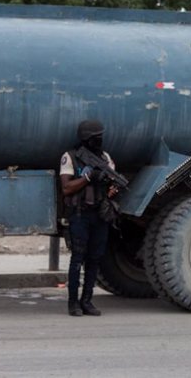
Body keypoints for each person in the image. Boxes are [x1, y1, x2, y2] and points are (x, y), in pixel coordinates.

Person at [60, 119, 119, 317]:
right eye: (96, 137)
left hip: (99, 215)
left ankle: (87, 301)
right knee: (78, 258)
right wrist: (87, 178)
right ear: (86, 138)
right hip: (79, 214)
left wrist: (110, 188)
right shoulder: (71, 157)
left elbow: (112, 186)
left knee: (95, 259)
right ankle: (73, 303)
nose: (99, 140)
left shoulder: (105, 158)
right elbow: (67, 187)